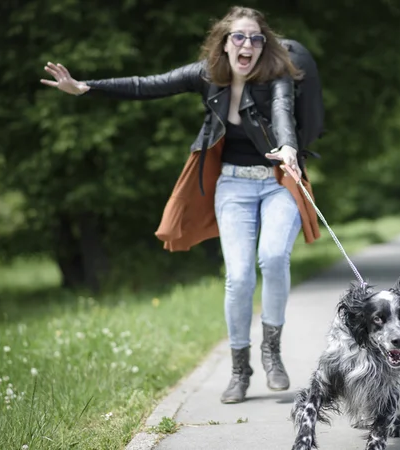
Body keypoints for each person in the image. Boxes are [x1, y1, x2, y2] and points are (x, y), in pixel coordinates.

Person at [40, 6, 321, 404]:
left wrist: (289, 146)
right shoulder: (205, 75)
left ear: (264, 46)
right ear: (224, 43)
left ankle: (271, 352)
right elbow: (146, 84)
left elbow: (282, 111)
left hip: (277, 183)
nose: (248, 45)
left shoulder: (276, 75)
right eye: (239, 37)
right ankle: (240, 370)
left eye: (256, 39)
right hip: (233, 186)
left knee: (274, 258)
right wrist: (86, 87)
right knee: (239, 276)